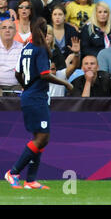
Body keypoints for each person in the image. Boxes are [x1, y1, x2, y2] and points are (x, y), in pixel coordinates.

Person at [4, 17, 73, 190]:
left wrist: (26, 86)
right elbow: (44, 74)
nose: (48, 36)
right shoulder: (40, 49)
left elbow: (18, 73)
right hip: (36, 98)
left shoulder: (26, 48)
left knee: (41, 138)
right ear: (42, 32)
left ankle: (31, 180)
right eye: (47, 32)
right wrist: (65, 83)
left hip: (30, 95)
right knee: (42, 137)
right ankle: (13, 172)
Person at [0, 19, 24, 94]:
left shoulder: (21, 48)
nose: (7, 30)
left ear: (15, 32)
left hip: (16, 86)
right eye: (4, 28)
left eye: (10, 28)